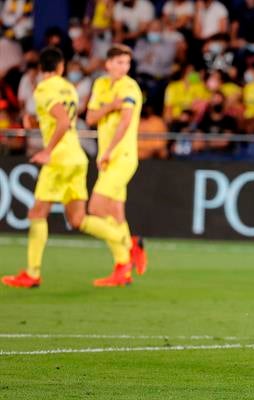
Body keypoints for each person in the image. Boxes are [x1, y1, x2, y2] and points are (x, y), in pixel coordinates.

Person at [1, 47, 131, 288]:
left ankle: (32, 273)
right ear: (61, 67)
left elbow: (61, 120)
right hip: (77, 158)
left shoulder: (43, 88)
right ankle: (127, 244)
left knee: (37, 214)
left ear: (41, 69)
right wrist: (37, 123)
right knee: (78, 219)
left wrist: (47, 151)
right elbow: (63, 118)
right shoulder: (68, 88)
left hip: (59, 160)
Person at [85, 44, 147, 287]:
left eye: (127, 63)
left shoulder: (130, 86)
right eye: (120, 62)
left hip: (121, 156)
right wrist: (111, 106)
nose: (124, 68)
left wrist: (108, 151)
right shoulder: (100, 84)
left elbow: (126, 121)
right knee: (116, 214)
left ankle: (129, 249)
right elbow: (90, 118)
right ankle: (124, 268)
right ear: (108, 63)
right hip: (108, 157)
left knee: (96, 208)